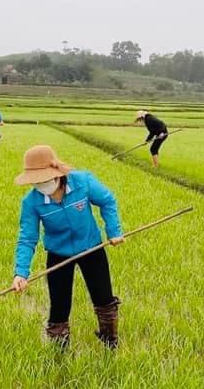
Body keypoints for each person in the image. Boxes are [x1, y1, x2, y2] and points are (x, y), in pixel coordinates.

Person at [12, 145, 124, 349]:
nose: (39, 184)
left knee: (104, 298)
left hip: (91, 249)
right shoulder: (31, 202)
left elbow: (107, 201)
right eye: (35, 181)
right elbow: (27, 238)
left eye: (43, 180)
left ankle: (110, 342)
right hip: (58, 254)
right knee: (60, 305)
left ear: (55, 174)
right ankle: (59, 350)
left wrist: (114, 231)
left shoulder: (82, 182)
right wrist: (21, 272)